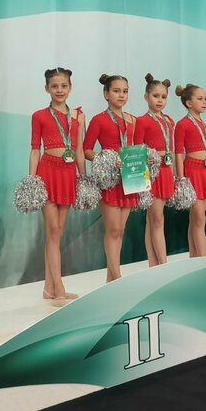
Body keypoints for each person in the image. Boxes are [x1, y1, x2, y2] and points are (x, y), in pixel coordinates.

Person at [29, 67, 83, 302]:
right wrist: (33, 181)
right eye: (54, 86)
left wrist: (83, 177)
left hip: (68, 174)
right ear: (47, 88)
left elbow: (79, 150)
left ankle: (49, 287)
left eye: (64, 86)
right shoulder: (39, 116)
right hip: (47, 172)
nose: (59, 90)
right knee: (52, 231)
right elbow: (35, 150)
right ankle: (58, 287)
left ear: (70, 88)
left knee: (58, 232)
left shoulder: (78, 117)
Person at [83, 74, 138, 282]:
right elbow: (87, 150)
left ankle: (111, 280)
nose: (121, 95)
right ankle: (118, 277)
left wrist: (144, 159)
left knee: (121, 230)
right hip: (110, 180)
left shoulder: (132, 120)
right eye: (116, 91)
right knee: (113, 229)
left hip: (129, 180)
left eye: (125, 91)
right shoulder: (99, 120)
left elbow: (135, 148)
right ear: (106, 94)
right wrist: (107, 160)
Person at [134, 74, 175, 266]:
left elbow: (172, 149)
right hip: (151, 174)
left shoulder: (169, 121)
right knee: (156, 219)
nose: (160, 100)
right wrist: (151, 157)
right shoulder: (142, 121)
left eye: (163, 97)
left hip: (166, 172)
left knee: (154, 221)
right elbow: (137, 149)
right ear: (146, 97)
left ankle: (153, 264)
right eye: (155, 96)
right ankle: (163, 264)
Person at [174, 83, 206, 257]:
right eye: (200, 99)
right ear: (189, 103)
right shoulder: (182, 124)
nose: (204, 102)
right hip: (192, 171)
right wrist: (181, 179)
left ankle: (194, 256)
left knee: (197, 218)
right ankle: (202, 258)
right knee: (199, 218)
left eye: (205, 99)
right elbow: (178, 153)